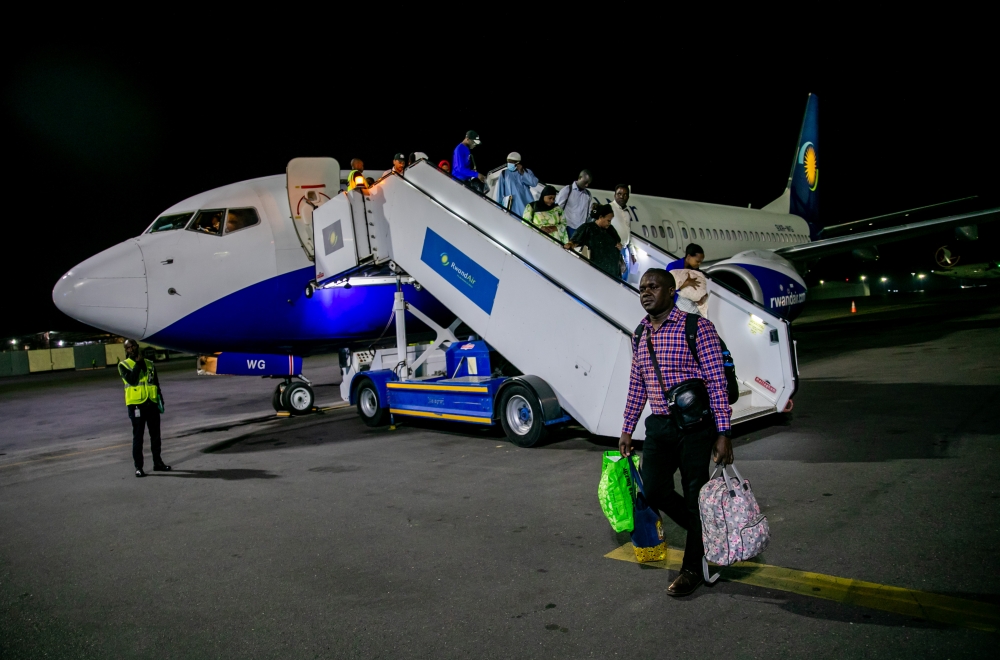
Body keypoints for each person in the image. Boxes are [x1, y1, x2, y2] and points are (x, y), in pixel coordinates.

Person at [619, 269, 733, 597]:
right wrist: (627, 428)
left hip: (696, 428)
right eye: (642, 288)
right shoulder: (639, 333)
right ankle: (708, 531)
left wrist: (724, 432)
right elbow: (637, 383)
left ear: (671, 292)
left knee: (696, 493)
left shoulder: (697, 328)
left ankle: (692, 568)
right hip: (660, 425)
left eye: (653, 286)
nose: (645, 292)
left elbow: (716, 382)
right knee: (653, 489)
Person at [119, 339, 170, 477]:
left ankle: (157, 463)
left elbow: (155, 383)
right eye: (128, 348)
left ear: (137, 346)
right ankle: (139, 467)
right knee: (138, 437)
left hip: (151, 403)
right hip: (136, 405)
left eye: (133, 346)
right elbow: (132, 380)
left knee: (155, 436)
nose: (132, 349)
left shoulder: (150, 364)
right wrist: (138, 363)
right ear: (126, 350)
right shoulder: (123, 365)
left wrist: (160, 400)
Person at [563, 204, 622, 277]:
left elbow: (618, 241)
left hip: (612, 271)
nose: (609, 223)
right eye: (608, 220)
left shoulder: (611, 229)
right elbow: (575, 240)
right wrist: (570, 244)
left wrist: (619, 245)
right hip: (596, 270)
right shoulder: (588, 228)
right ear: (600, 217)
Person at [494, 152, 539, 216]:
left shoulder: (527, 171)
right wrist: (499, 209)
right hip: (512, 208)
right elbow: (499, 193)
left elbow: (534, 183)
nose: (509, 163)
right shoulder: (504, 173)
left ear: (517, 163)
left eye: (512, 162)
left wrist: (522, 172)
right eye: (508, 161)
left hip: (527, 206)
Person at [555, 169, 593, 239]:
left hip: (581, 230)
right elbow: (557, 208)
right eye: (585, 182)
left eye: (588, 183)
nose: (587, 185)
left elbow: (589, 213)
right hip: (567, 227)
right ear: (579, 178)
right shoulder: (567, 190)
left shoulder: (588, 194)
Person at [610, 184, 637, 281]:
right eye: (619, 194)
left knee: (624, 280)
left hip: (625, 250)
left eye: (625, 195)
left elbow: (628, 234)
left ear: (628, 197)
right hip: (613, 250)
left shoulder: (627, 212)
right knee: (614, 279)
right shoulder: (609, 209)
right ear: (615, 195)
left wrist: (633, 253)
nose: (622, 197)